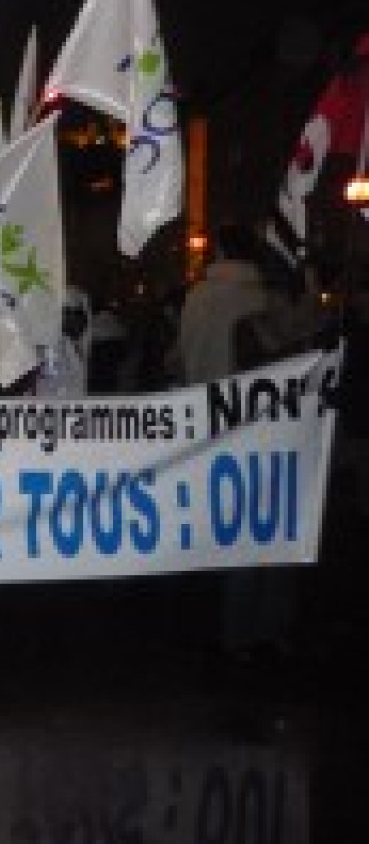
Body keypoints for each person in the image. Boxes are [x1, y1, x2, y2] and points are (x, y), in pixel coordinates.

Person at [176, 221, 325, 666]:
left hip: (212, 425)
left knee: (233, 530)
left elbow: (186, 359)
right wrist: (312, 285)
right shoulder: (266, 299)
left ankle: (235, 630)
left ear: (218, 249)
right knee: (274, 526)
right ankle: (272, 628)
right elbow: (307, 331)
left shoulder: (198, 299)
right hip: (272, 429)